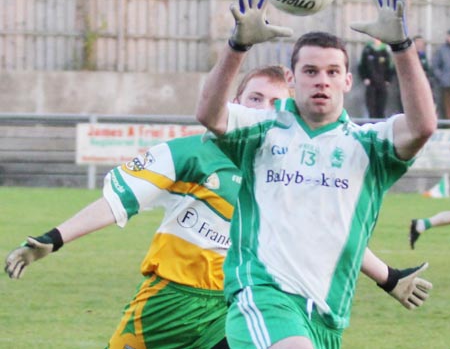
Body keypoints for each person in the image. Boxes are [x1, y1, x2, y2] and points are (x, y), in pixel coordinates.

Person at [5, 65, 431, 348]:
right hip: (168, 305)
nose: (263, 108)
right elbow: (117, 202)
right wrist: (53, 239)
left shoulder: (291, 166)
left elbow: (330, 233)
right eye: (254, 98)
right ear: (235, 103)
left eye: (273, 102)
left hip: (239, 305)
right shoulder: (196, 152)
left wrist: (388, 277)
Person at [196, 0, 437, 349]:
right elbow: (210, 114)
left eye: (331, 72)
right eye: (310, 72)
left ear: (347, 81)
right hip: (263, 297)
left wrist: (402, 48)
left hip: (326, 317)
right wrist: (237, 47)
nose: (321, 81)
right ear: (292, 79)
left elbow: (422, 127)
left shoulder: (368, 146)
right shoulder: (262, 132)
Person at [358, 37, 394, 118]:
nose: (376, 39)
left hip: (382, 82)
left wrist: (388, 79)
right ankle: (371, 120)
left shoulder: (386, 50)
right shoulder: (368, 49)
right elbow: (362, 65)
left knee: (381, 103)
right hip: (371, 82)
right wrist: (365, 78)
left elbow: (391, 66)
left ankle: (380, 120)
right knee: (371, 103)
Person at [432, 30, 450, 119]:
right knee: (447, 106)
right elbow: (435, 66)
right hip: (446, 84)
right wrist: (442, 77)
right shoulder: (441, 50)